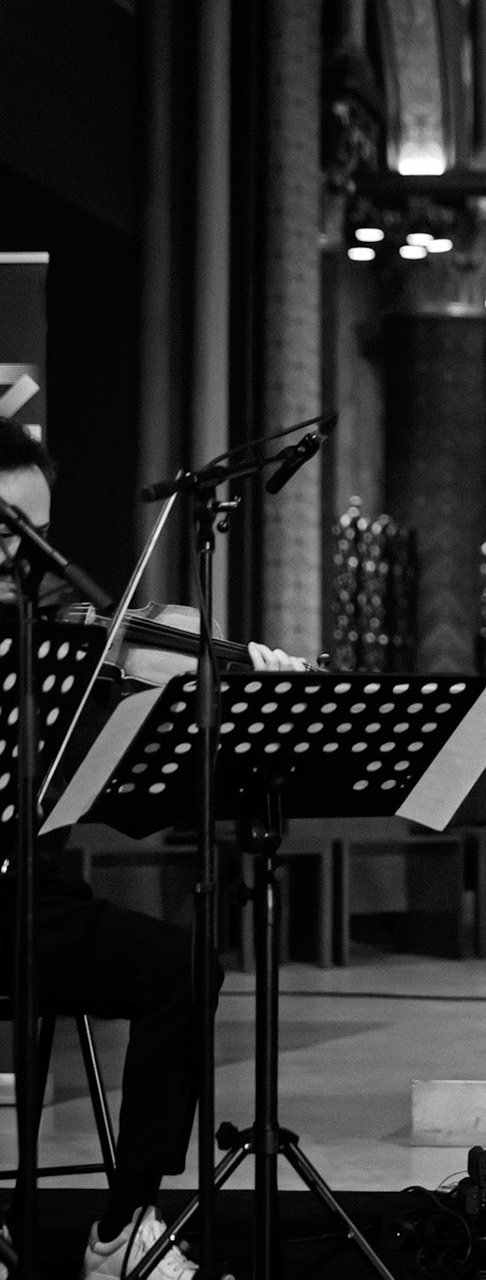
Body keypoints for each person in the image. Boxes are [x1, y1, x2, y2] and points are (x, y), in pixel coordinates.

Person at [0, 416, 297, 1279]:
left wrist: (239, 696)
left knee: (181, 965)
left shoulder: (58, 646)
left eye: (40, 539)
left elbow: (126, 802)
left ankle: (122, 1226)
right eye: (11, 532)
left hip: (26, 902)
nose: (35, 565)